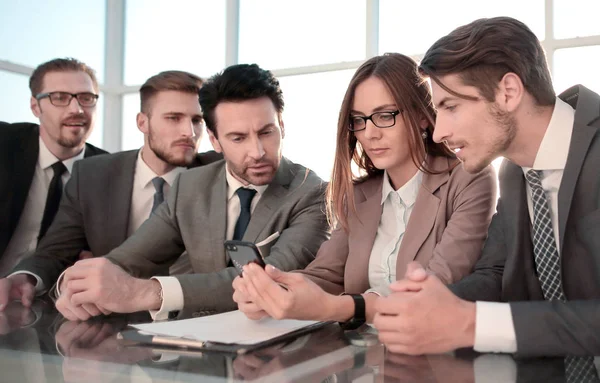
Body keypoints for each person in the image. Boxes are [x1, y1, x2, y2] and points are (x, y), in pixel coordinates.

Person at [374, 17, 600, 363]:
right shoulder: (514, 172)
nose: (437, 134)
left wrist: (472, 323)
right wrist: (435, 305)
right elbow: (495, 275)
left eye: (450, 107)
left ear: (508, 92)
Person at [232, 53, 496, 325]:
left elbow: (436, 288)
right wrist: (275, 290)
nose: (369, 133)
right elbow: (326, 275)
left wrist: (343, 307)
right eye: (359, 120)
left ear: (421, 117)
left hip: (435, 348)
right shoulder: (359, 195)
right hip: (361, 353)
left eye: (384, 115)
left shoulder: (469, 179)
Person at [54, 64, 330, 321]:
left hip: (279, 352)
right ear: (214, 140)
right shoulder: (190, 185)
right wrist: (81, 285)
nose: (257, 152)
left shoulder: (314, 193)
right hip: (198, 349)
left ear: (282, 126)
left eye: (267, 132)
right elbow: (130, 259)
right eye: (238, 138)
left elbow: (268, 282)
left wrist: (146, 293)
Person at [0, 70, 223, 311]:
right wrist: (24, 278)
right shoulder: (93, 175)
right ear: (142, 122)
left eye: (197, 120)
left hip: (193, 317)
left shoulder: (219, 172)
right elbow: (56, 251)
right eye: (173, 118)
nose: (188, 132)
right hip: (107, 320)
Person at [0, 58, 107, 277]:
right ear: (35, 106)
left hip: (56, 302)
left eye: (86, 98)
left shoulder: (110, 172)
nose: (76, 109)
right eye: (59, 98)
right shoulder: (4, 143)